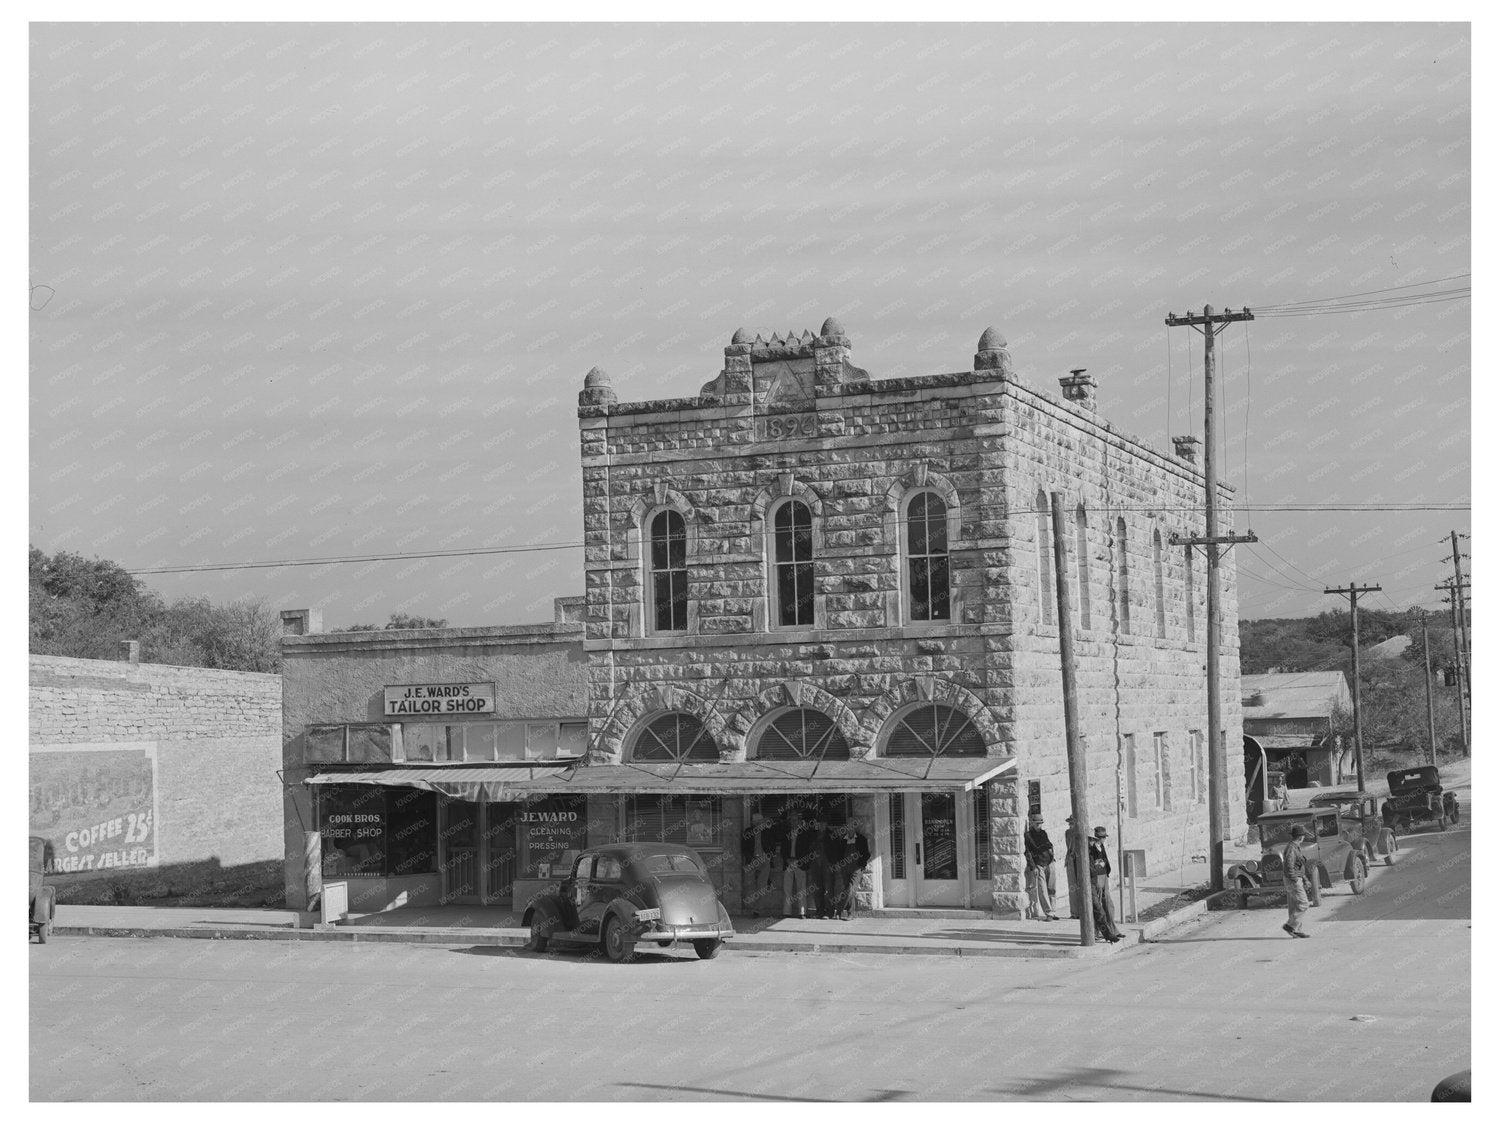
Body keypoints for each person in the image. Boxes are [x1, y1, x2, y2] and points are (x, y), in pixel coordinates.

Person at [1088, 826, 1123, 942]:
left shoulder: (1101, 846)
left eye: (1103, 837)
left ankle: (1112, 929)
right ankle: (1096, 932)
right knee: (1097, 907)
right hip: (1096, 878)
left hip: (1103, 876)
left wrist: (1106, 870)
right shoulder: (1090, 848)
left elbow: (1105, 859)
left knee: (1108, 904)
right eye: (1102, 837)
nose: (1103, 840)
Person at [1024, 814, 1060, 921]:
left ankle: (1053, 911)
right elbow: (1028, 852)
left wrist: (1052, 855)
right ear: (1032, 823)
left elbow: (1049, 844)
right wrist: (1033, 866)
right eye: (1037, 823)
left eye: (1040, 823)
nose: (1039, 825)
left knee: (1052, 888)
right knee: (1042, 890)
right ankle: (1048, 913)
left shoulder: (1044, 833)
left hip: (1049, 862)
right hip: (1039, 864)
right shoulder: (1028, 835)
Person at [1281, 824, 1313, 938]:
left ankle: (1296, 930)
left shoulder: (1294, 847)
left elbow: (1298, 866)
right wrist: (1295, 880)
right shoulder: (1292, 848)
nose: (1304, 838)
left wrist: (1304, 879)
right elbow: (1289, 866)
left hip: (1294, 878)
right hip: (1292, 879)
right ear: (1300, 837)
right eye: (1303, 836)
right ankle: (1290, 926)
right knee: (1304, 903)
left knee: (1294, 905)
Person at [835, 822, 871, 920]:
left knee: (850, 890)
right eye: (848, 826)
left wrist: (862, 864)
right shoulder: (843, 839)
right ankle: (851, 914)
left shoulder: (861, 839)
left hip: (856, 868)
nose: (850, 828)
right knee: (848, 890)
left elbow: (867, 854)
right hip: (845, 868)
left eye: (852, 826)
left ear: (855, 827)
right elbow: (839, 854)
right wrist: (840, 864)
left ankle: (839, 910)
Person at [741, 812, 774, 916]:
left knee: (762, 885)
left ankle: (757, 910)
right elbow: (744, 847)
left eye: (761, 822)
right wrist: (748, 858)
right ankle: (750, 906)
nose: (760, 824)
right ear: (753, 823)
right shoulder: (748, 832)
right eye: (757, 822)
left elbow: (772, 844)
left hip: (764, 859)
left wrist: (768, 856)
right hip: (752, 860)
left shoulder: (767, 831)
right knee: (748, 884)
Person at [781, 814, 813, 918]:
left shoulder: (805, 833)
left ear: (800, 821)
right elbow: (783, 849)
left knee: (801, 889)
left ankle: (802, 912)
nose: (793, 822)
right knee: (787, 889)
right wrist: (787, 859)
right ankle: (786, 912)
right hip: (788, 863)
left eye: (795, 820)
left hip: (800, 863)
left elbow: (807, 849)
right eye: (792, 820)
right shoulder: (786, 834)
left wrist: (800, 861)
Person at [1063, 815, 1085, 920]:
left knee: (1082, 886)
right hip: (1072, 859)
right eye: (1070, 823)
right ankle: (1074, 912)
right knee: (1072, 887)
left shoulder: (1082, 832)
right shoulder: (1068, 833)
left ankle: (1083, 911)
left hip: (1080, 860)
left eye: (1072, 823)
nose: (1070, 825)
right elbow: (1069, 846)